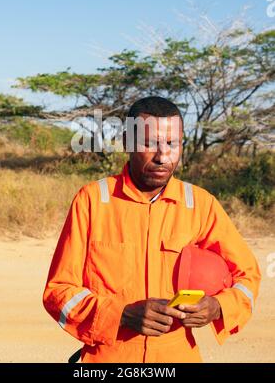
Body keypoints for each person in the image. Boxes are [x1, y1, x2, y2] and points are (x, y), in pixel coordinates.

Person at [43, 96, 261, 363]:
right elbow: (59, 291)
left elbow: (248, 276)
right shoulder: (92, 201)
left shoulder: (200, 205)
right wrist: (121, 314)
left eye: (172, 144)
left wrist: (218, 306)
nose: (162, 156)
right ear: (127, 143)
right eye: (149, 143)